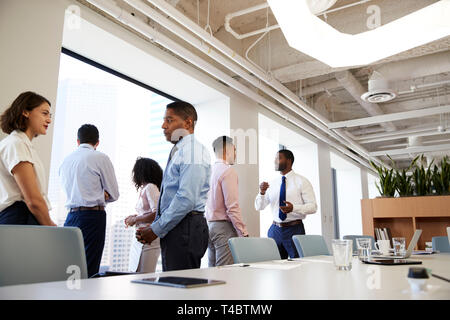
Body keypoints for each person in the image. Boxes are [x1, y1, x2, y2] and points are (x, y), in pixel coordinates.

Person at [136, 101, 211, 272]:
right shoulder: (180, 150)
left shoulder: (192, 151)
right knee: (174, 283)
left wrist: (156, 229)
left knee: (180, 286)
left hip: (186, 227)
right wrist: (156, 226)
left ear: (188, 123)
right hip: (179, 226)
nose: (163, 126)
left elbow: (186, 198)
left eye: (169, 120)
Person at [59, 124, 119, 277]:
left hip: (70, 217)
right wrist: (99, 194)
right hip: (93, 217)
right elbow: (114, 193)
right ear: (97, 142)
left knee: (69, 267)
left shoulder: (66, 161)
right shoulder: (100, 157)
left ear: (78, 141)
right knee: (89, 268)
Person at [0, 91, 56, 226]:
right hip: (19, 218)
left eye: (50, 115)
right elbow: (33, 200)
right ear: (25, 112)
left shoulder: (21, 144)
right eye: (44, 113)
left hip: (21, 217)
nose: (49, 119)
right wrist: (51, 227)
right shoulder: (16, 144)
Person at [255, 149, 317, 259]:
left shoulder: (302, 181)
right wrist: (262, 193)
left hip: (294, 229)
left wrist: (294, 208)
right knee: (275, 266)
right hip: (275, 231)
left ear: (288, 161)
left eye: (278, 158)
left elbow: (313, 207)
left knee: (298, 265)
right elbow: (259, 206)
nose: (275, 161)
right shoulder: (273, 184)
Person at [205, 136, 249, 267]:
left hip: (209, 226)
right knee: (225, 272)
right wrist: (243, 232)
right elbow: (232, 207)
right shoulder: (227, 171)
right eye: (235, 150)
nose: (235, 154)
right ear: (227, 150)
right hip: (224, 228)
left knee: (212, 272)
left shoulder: (208, 172)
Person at [124, 157, 163, 273]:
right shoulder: (146, 188)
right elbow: (147, 212)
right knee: (137, 273)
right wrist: (134, 217)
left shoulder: (151, 187)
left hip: (148, 238)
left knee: (145, 275)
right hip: (141, 237)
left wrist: (135, 219)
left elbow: (156, 213)